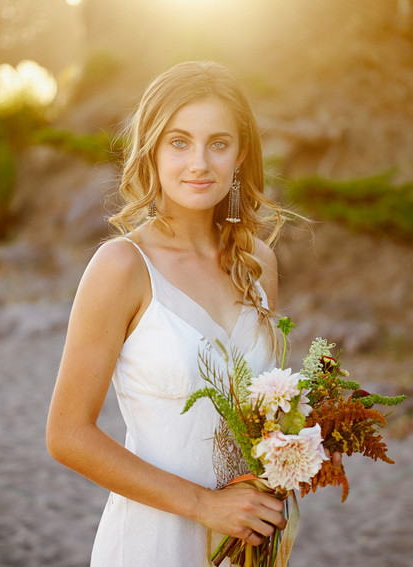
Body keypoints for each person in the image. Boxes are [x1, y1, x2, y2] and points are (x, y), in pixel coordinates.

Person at [46, 61, 339, 566]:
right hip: (154, 543)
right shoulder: (121, 266)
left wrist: (309, 442)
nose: (199, 163)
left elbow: (261, 412)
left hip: (250, 543)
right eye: (179, 142)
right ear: (152, 148)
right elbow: (68, 434)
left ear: (240, 154)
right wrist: (205, 506)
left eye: (218, 143)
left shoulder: (257, 264)